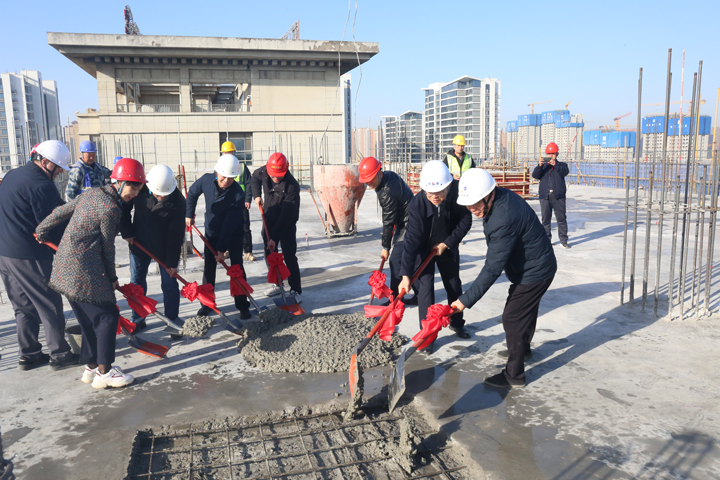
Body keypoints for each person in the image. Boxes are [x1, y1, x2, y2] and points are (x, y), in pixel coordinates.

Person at [36, 158, 147, 389]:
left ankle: (92, 366)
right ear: (119, 182)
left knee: (88, 318)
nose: (135, 194)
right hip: (84, 270)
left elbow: (60, 212)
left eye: (138, 189)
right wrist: (112, 278)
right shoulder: (112, 209)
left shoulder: (91, 193)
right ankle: (104, 372)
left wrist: (41, 229)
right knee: (107, 316)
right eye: (134, 188)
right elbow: (107, 247)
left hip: (64, 267)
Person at [451, 168, 557, 388]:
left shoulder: (502, 218)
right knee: (525, 310)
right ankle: (522, 350)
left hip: (535, 270)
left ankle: (513, 376)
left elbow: (492, 268)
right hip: (533, 265)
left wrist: (464, 301)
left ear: (489, 195)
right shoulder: (499, 199)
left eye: (476, 203)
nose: (472, 209)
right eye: (468, 205)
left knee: (512, 317)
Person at [0, 140, 79, 371]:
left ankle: (30, 354)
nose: (60, 173)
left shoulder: (13, 175)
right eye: (58, 168)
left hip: (5, 253)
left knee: (23, 306)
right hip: (29, 255)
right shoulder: (41, 185)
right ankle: (60, 354)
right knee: (49, 303)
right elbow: (51, 224)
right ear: (45, 162)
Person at [398, 160, 472, 345]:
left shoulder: (458, 194)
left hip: (448, 246)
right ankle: (427, 335)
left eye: (439, 192)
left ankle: (457, 323)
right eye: (430, 193)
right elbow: (411, 241)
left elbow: (465, 221)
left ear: (448, 186)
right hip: (424, 250)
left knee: (453, 285)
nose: (434, 197)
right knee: (425, 290)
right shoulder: (417, 206)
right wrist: (405, 275)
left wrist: (447, 244)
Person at [120, 164, 185, 331]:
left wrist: (172, 263)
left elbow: (176, 235)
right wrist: (127, 231)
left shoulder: (178, 201)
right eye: (158, 194)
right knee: (137, 282)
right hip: (139, 242)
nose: (161, 197)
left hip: (164, 248)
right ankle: (138, 319)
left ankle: (172, 320)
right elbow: (124, 208)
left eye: (164, 194)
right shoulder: (140, 189)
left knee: (169, 283)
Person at [186, 154, 251, 319]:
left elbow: (229, 225)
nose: (226, 181)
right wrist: (189, 214)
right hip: (212, 230)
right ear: (217, 172)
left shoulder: (238, 194)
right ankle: (207, 304)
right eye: (223, 177)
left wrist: (221, 250)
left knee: (236, 267)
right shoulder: (206, 180)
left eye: (231, 178)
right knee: (209, 268)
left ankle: (242, 305)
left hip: (233, 233)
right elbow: (192, 193)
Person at [358, 156, 417, 305]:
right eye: (366, 181)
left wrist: (386, 247)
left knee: (396, 260)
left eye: (371, 179)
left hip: (409, 223)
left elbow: (388, 222)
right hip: (406, 219)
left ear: (379, 172)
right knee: (409, 260)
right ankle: (414, 293)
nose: (369, 183)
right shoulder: (389, 175)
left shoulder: (386, 192)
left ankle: (395, 300)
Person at [251, 153, 302, 301]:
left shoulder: (292, 186)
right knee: (270, 254)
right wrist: (257, 195)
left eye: (279, 176)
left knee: (289, 255)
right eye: (273, 175)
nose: (275, 178)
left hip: (287, 224)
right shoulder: (264, 171)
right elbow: (254, 178)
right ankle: (277, 283)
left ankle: (295, 289)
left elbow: (286, 217)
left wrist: (274, 238)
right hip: (269, 218)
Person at [222, 141, 256, 262]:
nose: (227, 154)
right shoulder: (220, 167)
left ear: (233, 153)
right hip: (226, 203)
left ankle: (247, 251)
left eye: (230, 152)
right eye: (225, 152)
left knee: (245, 227)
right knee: (225, 227)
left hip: (241, 203)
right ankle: (226, 250)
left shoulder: (241, 167)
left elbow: (249, 184)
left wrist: (247, 199)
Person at [533, 142, 570, 248]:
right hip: (545, 196)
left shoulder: (562, 165)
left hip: (558, 196)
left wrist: (556, 165)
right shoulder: (543, 167)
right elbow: (535, 175)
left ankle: (563, 240)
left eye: (553, 154)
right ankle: (547, 240)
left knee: (561, 219)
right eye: (549, 154)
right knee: (545, 220)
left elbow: (565, 172)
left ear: (557, 154)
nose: (550, 156)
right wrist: (539, 166)